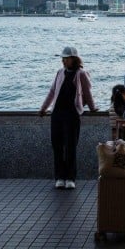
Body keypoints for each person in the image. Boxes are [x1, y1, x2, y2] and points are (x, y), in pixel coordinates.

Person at [39, 46, 97, 190]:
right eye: (63, 59)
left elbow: (87, 93)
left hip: (72, 114)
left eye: (66, 59)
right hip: (57, 113)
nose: (64, 61)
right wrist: (44, 108)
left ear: (74, 59)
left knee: (71, 146)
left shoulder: (81, 74)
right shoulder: (60, 73)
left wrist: (92, 107)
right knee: (57, 145)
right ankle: (59, 177)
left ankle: (70, 178)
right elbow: (52, 92)